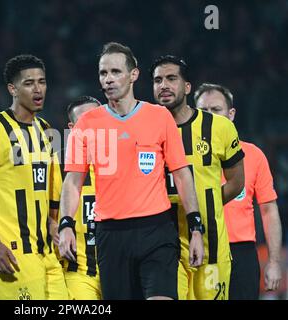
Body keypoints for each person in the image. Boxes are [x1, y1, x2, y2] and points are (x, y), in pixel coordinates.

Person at [59, 42, 203, 300]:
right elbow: (72, 181)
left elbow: (182, 174)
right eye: (103, 73)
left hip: (156, 230)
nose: (108, 79)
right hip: (111, 236)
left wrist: (195, 227)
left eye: (115, 72)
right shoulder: (86, 125)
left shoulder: (159, 117)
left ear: (133, 75)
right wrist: (66, 224)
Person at [0, 54, 68, 300]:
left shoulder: (46, 130)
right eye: (29, 83)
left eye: (42, 82)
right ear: (12, 88)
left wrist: (53, 222)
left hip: (48, 255)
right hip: (12, 253)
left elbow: (50, 188)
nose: (38, 88)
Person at [151, 56, 245, 300]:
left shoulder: (219, 128)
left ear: (187, 87)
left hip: (211, 246)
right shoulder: (146, 129)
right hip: (165, 248)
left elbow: (236, 183)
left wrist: (207, 202)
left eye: (171, 78)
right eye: (158, 80)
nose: (164, 85)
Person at [194, 83, 283, 300]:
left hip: (241, 254)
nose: (211, 117)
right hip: (201, 250)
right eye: (204, 112)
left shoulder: (253, 155)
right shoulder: (183, 155)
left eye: (216, 110)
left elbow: (269, 210)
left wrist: (273, 262)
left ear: (231, 114)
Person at [58, 95, 102, 300]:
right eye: (85, 123)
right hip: (79, 272)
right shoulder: (59, 170)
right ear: (72, 128)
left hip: (120, 270)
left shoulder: (124, 163)